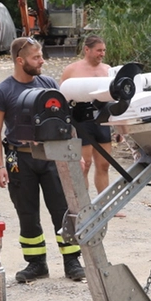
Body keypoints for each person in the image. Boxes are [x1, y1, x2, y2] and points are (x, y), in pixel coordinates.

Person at [0, 37, 82, 283]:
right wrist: (0, 166)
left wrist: (75, 155)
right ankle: (36, 264)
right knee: (27, 213)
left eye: (41, 56)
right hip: (19, 158)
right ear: (20, 61)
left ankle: (72, 261)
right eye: (36, 57)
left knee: (63, 210)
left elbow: (65, 121)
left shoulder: (48, 84)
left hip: (52, 158)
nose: (42, 61)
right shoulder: (2, 92)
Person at [59, 35, 117, 195]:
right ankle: (83, 206)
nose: (102, 54)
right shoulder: (72, 69)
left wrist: (119, 125)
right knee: (85, 164)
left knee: (104, 164)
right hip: (80, 119)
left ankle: (104, 204)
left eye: (104, 50)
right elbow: (61, 97)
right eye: (99, 50)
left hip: (102, 118)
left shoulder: (107, 69)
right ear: (87, 50)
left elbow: (115, 99)